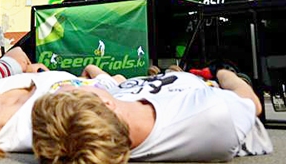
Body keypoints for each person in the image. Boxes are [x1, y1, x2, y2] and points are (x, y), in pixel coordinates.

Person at [31, 66, 272, 163]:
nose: (64, 84)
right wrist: (224, 73)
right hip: (209, 82)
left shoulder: (104, 120)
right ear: (103, 101)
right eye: (69, 88)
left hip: (162, 81)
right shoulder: (213, 114)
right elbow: (251, 102)